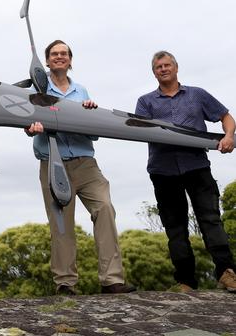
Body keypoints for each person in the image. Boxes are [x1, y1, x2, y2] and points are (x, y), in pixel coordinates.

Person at [25, 39, 135, 295]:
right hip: (54, 165)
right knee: (62, 225)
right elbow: (26, 121)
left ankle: (112, 280)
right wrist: (32, 127)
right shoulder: (37, 88)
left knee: (105, 208)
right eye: (54, 54)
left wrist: (90, 112)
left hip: (86, 165)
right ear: (47, 61)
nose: (60, 57)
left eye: (64, 53)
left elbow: (92, 132)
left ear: (70, 60)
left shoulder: (81, 91)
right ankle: (65, 283)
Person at [135, 50, 236, 293]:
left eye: (167, 65)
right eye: (159, 67)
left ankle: (227, 273)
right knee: (175, 227)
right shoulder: (145, 102)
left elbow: (225, 117)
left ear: (176, 68)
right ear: (154, 72)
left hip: (197, 166)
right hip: (163, 171)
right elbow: (138, 131)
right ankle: (186, 281)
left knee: (210, 219)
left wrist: (229, 136)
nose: (163, 69)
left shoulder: (197, 95)